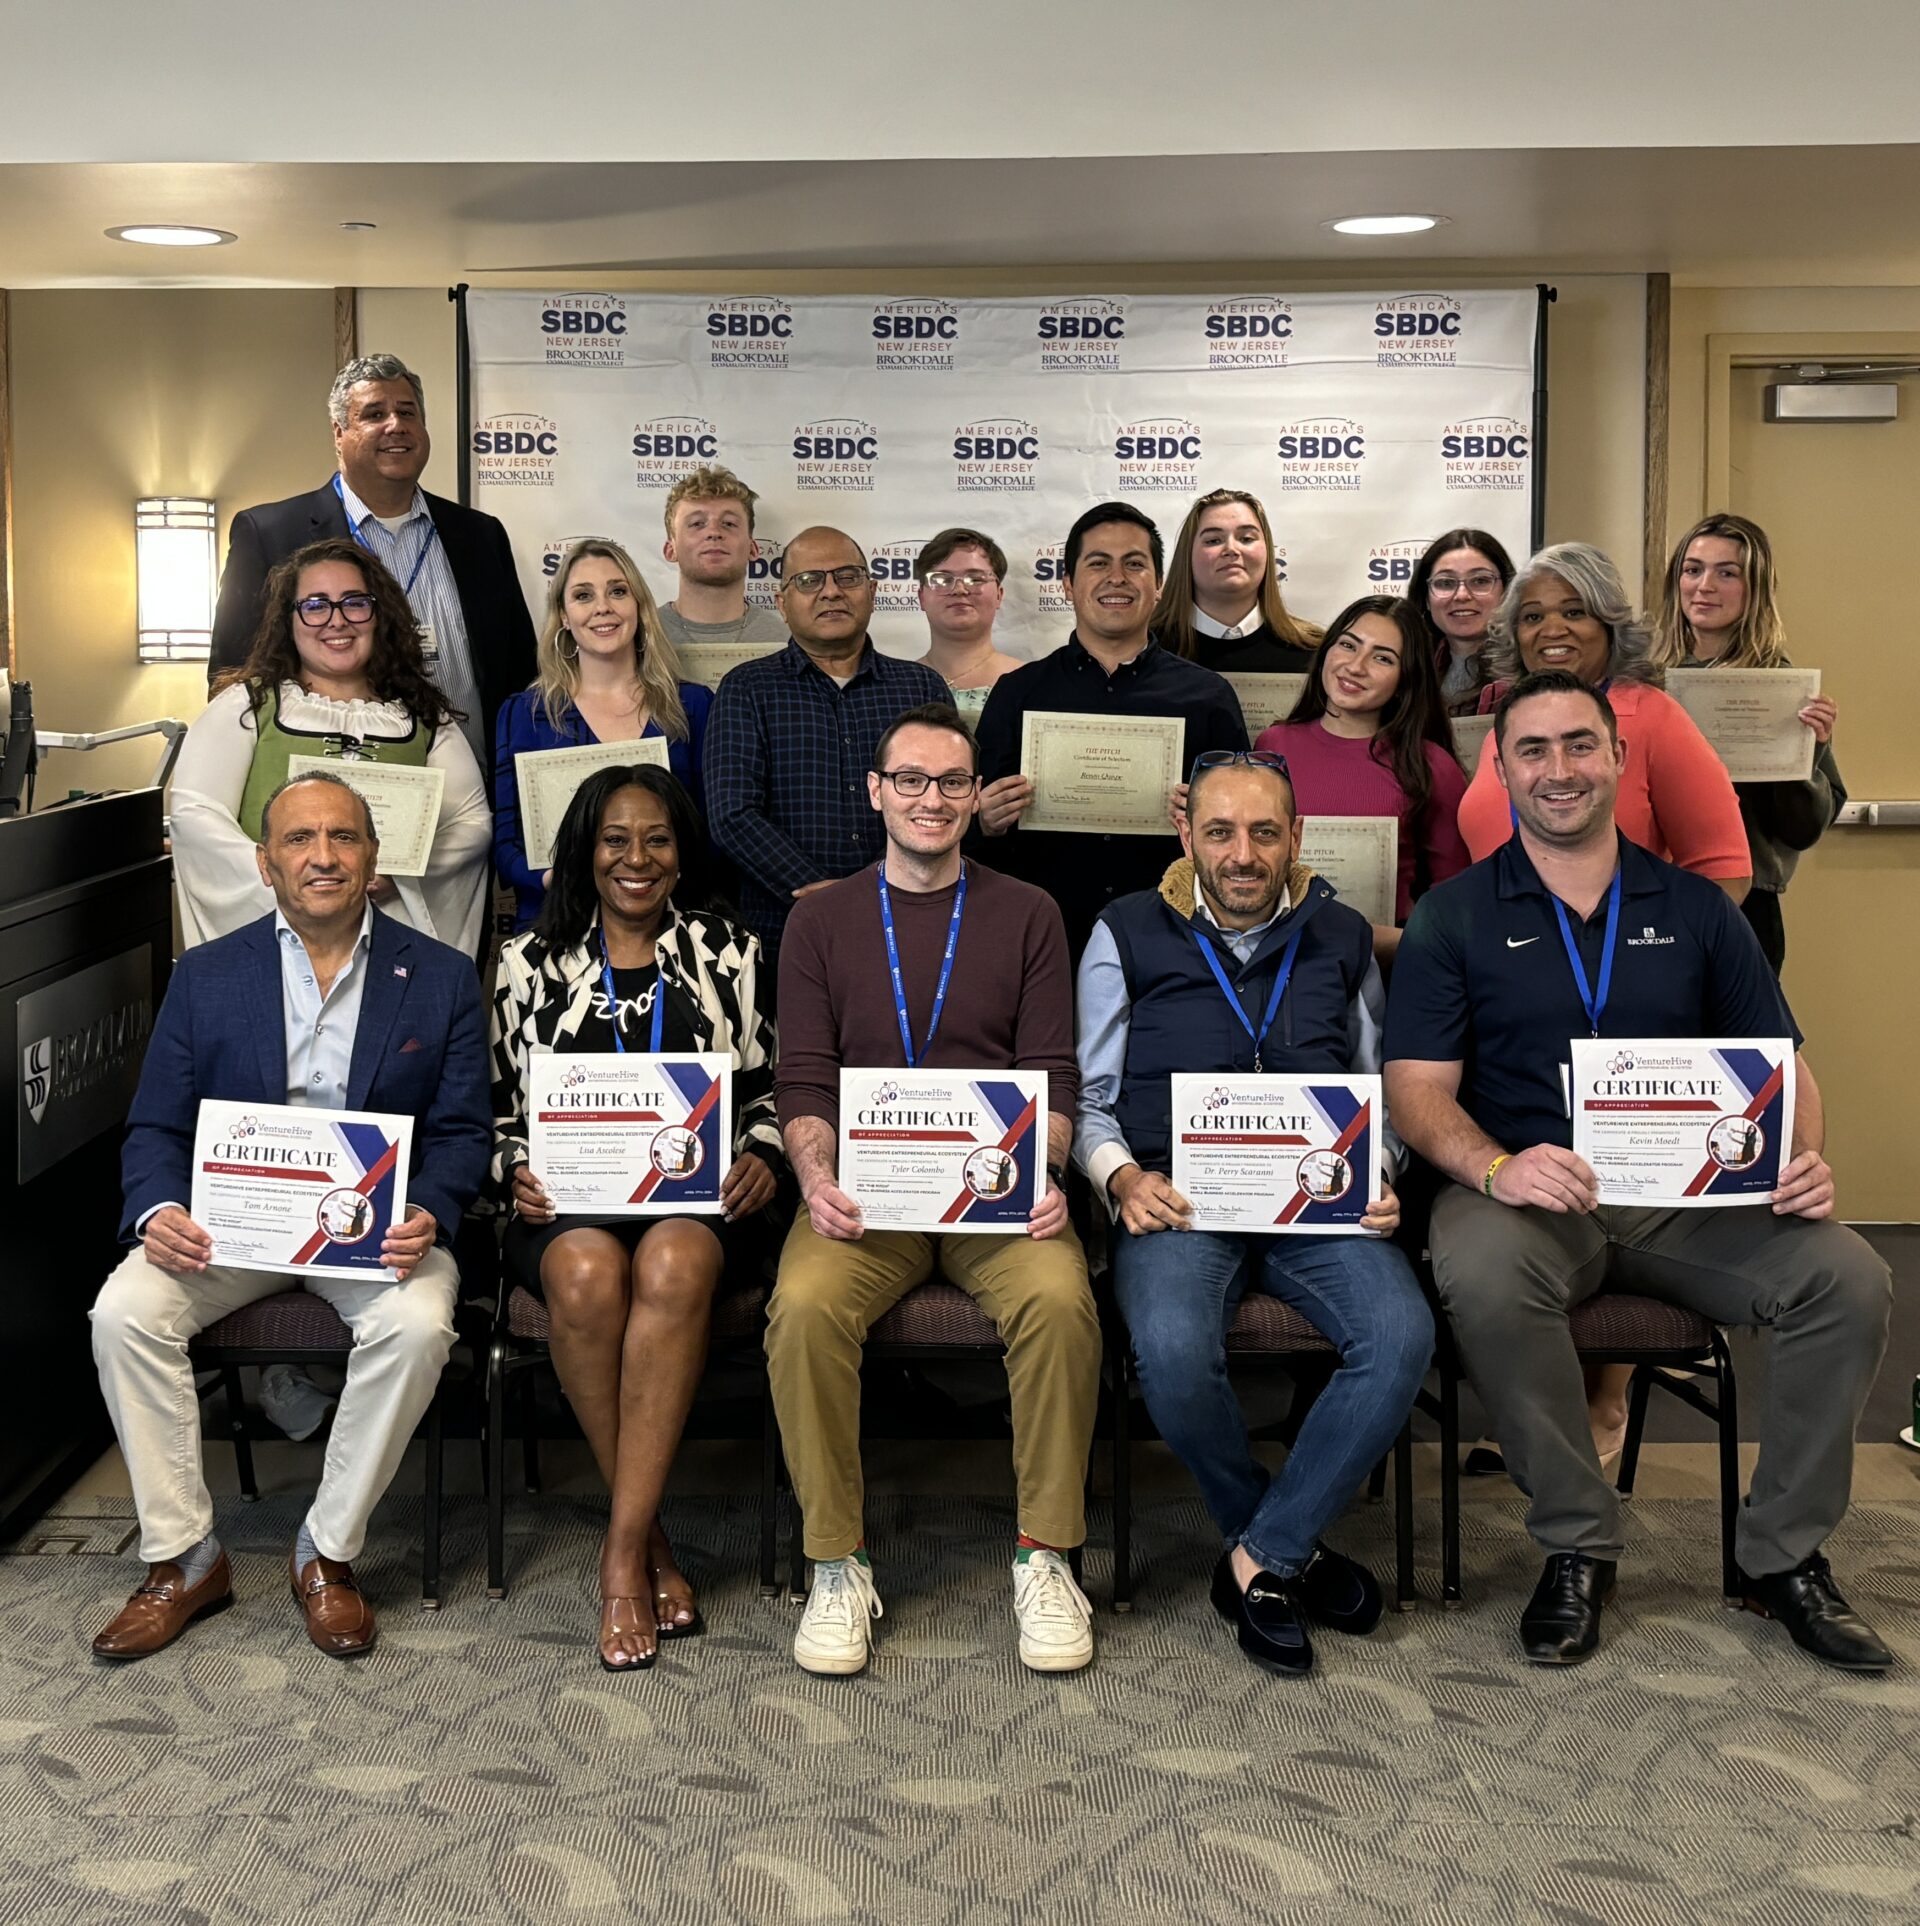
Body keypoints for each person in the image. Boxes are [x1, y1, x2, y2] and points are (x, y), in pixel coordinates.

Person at [1384, 671, 1892, 1673]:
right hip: (1529, 1195)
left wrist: (1805, 1159)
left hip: (1686, 1202)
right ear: (1501, 766)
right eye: (1533, 750)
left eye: (1581, 745)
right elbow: (1415, 1092)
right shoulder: (1456, 915)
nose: (1559, 769)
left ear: (1620, 757)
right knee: (1483, 1272)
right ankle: (1578, 1542)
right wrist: (1497, 1169)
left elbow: (1783, 1070)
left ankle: (1781, 1557)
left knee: (1848, 1277)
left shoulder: (1702, 911)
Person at [88, 771, 490, 1661]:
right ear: (267, 865)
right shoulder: (205, 973)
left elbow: (463, 1133)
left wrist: (428, 1206)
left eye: (343, 838)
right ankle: (184, 1555)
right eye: (300, 841)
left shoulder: (440, 978)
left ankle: (328, 1551)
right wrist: (158, 1209)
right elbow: (156, 1122)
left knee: (420, 1325)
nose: (322, 857)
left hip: (368, 1229)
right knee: (123, 1315)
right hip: (233, 1226)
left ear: (374, 859)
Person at [1076, 748, 1433, 1677]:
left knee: (1399, 1335)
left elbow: (1375, 1086)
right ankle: (1284, 1546)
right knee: (1175, 1349)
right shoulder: (1125, 929)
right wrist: (1117, 1179)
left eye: (1264, 833)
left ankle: (1260, 1558)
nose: (1242, 854)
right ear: (1184, 832)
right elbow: (1089, 1094)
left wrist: (1381, 1172)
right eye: (1221, 831)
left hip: (1316, 1198)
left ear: (1296, 839)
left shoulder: (1342, 934)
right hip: (1178, 1196)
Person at [769, 704, 1100, 1677]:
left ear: (974, 795)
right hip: (867, 1199)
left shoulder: (1028, 911)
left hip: (996, 1192)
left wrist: (1046, 1172)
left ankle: (1046, 1557)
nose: (931, 799)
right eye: (909, 780)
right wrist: (816, 1177)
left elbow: (1054, 1070)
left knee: (1059, 1302)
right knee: (801, 1307)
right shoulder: (820, 919)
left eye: (952, 782)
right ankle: (837, 1562)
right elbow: (804, 1078)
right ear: (875, 792)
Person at [490, 764, 783, 1670]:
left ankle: (619, 1555)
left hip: (698, 1200)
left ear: (681, 851)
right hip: (566, 1201)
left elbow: (769, 1091)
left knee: (669, 1266)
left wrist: (764, 1157)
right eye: (615, 839)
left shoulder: (729, 952)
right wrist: (514, 1168)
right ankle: (647, 1538)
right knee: (584, 1273)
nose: (636, 858)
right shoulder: (526, 961)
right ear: (584, 847)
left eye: (656, 839)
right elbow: (500, 1110)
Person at [208, 354, 536, 771]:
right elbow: (233, 674)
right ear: (339, 432)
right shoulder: (270, 534)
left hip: (469, 798)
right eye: (374, 414)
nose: (395, 425)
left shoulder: (481, 536)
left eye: (407, 412)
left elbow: (520, 674)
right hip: (325, 799)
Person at [171, 539, 493, 956]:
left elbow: (470, 825)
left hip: (385, 940)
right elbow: (197, 817)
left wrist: (403, 876)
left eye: (355, 603)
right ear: (289, 619)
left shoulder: (424, 720)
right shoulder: (247, 709)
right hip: (273, 941)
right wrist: (290, 879)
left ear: (380, 616)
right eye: (316, 605)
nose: (337, 621)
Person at [974, 502, 1247, 958]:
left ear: (1159, 585)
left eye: (1135, 564)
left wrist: (1209, 820)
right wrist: (985, 820)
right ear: (1067, 584)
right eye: (1098, 563)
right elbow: (970, 827)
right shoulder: (1018, 693)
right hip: (1043, 941)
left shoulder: (1208, 697)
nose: (1116, 578)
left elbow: (1244, 828)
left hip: (1175, 945)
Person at [703, 526, 948, 974]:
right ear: (781, 602)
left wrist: (881, 891)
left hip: (906, 923)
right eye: (810, 580)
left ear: (872, 591)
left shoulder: (921, 688)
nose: (831, 591)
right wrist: (821, 892)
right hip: (782, 932)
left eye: (848, 577)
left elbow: (943, 799)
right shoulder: (747, 689)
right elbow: (732, 814)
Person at [1458, 543, 1751, 903]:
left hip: (1612, 951)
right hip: (1499, 949)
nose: (1552, 630)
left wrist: (1650, 947)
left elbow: (1724, 872)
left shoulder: (1654, 716)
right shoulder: (1508, 724)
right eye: (1533, 617)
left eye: (1574, 612)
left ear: (1608, 624)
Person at [1653, 513, 1845, 974]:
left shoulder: (1783, 688)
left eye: (1727, 572)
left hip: (1746, 901)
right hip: (1653, 892)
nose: (1704, 586)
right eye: (1692, 569)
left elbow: (1803, 829)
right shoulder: (1646, 679)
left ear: (1754, 588)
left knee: (1744, 1045)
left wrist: (1807, 752)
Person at [494, 538, 713, 931]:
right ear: (563, 615)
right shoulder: (524, 714)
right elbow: (507, 841)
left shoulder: (693, 707)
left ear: (640, 607)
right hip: (559, 921)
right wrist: (554, 880)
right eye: (583, 595)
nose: (602, 608)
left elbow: (708, 831)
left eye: (617, 591)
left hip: (670, 921)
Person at [1256, 594, 1470, 955]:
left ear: (1406, 679)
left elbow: (1457, 895)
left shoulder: (1430, 764)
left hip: (1389, 969)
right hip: (1279, 963)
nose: (1356, 666)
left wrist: (1403, 943)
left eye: (1382, 658)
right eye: (1348, 645)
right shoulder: (1273, 744)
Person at [1152, 488, 1321, 672]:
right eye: (1213, 540)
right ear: (1187, 555)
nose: (1231, 549)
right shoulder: (1142, 648)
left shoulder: (1316, 651)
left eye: (1246, 538)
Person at [655, 465, 789, 657]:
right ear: (670, 550)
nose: (714, 533)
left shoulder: (783, 642)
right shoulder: (641, 637)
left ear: (753, 548)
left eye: (729, 524)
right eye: (696, 524)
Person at [912, 527, 1023, 723]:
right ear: (921, 597)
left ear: (999, 594)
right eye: (942, 579)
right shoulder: (896, 686)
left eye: (975, 579)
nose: (959, 589)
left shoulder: (1031, 683)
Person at [1406, 527, 1516, 717]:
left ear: (1506, 590)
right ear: (1426, 599)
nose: (1462, 595)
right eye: (1446, 583)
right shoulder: (1407, 670)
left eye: (1480, 581)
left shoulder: (1526, 669)